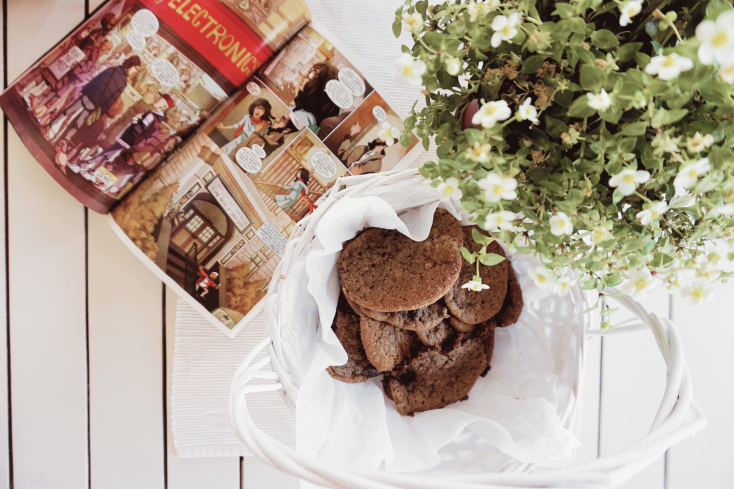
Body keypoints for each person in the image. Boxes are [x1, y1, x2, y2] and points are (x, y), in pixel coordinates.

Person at [47, 55, 142, 148]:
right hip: (95, 103)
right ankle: (64, 140)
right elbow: (111, 99)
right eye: (135, 68)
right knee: (79, 121)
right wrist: (101, 111)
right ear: (131, 65)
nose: (135, 71)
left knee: (67, 112)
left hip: (89, 94)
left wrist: (85, 90)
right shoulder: (123, 83)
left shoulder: (113, 69)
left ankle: (49, 126)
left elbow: (97, 80)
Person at [73, 93, 175, 176]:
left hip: (128, 137)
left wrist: (136, 118)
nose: (157, 99)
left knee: (107, 152)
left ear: (164, 106)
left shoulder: (151, 116)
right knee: (108, 155)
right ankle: (91, 171)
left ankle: (84, 164)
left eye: (160, 99)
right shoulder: (155, 116)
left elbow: (139, 129)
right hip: (129, 138)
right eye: (158, 98)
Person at [278, 62, 340, 132]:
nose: (305, 75)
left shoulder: (305, 118)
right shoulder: (305, 110)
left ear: (322, 86)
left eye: (313, 74)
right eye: (309, 71)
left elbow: (276, 124)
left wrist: (284, 101)